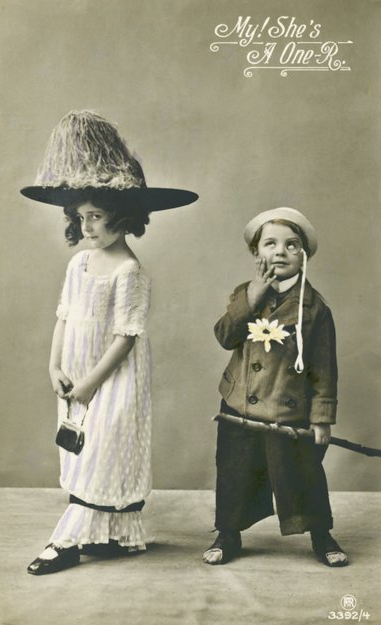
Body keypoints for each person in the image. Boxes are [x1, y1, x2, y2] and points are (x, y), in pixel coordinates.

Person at [21, 110, 197, 575]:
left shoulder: (129, 271)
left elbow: (125, 338)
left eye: (96, 218)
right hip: (75, 374)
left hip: (111, 376)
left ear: (124, 218)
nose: (87, 228)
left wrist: (91, 384)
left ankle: (65, 542)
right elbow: (63, 317)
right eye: (81, 218)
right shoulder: (78, 264)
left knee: (105, 449)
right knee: (80, 451)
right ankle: (109, 537)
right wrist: (54, 366)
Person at [203, 207, 348, 568]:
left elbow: (324, 368)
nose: (280, 251)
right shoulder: (244, 295)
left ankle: (320, 532)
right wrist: (253, 295)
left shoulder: (315, 308)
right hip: (241, 407)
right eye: (270, 243)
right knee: (235, 471)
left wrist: (322, 419)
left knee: (304, 474)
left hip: (289, 409)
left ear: (304, 256)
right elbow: (225, 336)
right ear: (257, 254)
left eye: (291, 245)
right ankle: (228, 532)